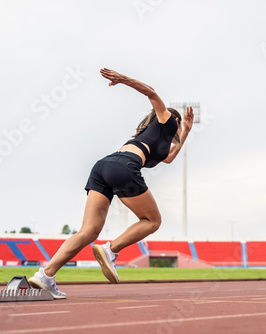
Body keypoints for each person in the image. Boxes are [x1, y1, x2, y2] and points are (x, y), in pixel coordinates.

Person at [29, 68, 194, 298]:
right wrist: (123, 79)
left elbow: (170, 157)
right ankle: (111, 249)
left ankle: (45, 275)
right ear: (172, 120)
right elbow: (152, 93)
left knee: (88, 231)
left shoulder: (157, 143)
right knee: (152, 220)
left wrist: (186, 131)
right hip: (123, 167)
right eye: (178, 126)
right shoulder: (166, 121)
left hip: (102, 167)